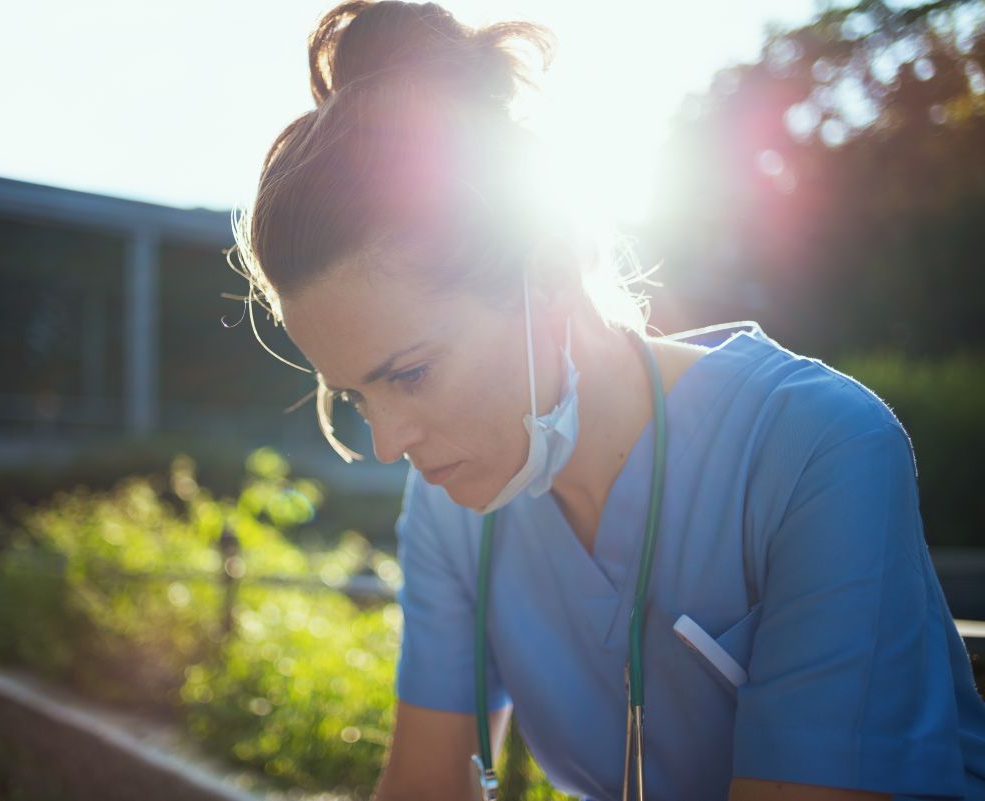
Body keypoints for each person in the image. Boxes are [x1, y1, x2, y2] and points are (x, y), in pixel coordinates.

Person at [228, 2, 985, 799]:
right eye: (355, 395)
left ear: (547, 275)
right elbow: (428, 786)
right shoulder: (451, 505)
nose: (387, 443)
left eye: (410, 374)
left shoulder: (818, 450)